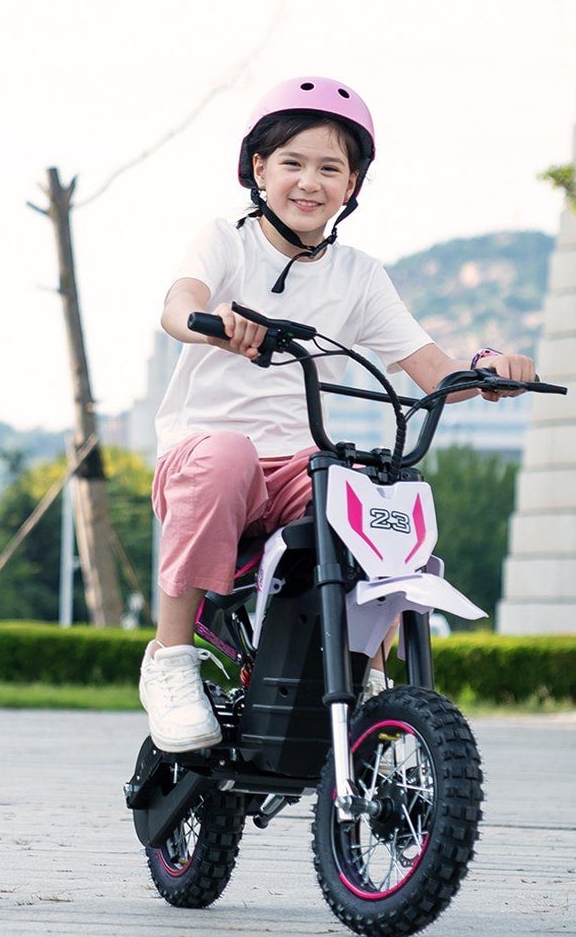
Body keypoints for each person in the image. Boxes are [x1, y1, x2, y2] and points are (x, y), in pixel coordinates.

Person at [143, 75, 536, 752]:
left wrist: (491, 369)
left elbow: (431, 371)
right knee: (229, 450)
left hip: (298, 466)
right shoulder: (225, 242)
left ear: (352, 185)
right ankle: (169, 659)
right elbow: (177, 302)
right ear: (257, 169)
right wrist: (214, 322)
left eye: (330, 168)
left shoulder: (357, 275)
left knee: (373, 487)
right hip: (204, 464)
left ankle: (368, 675)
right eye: (291, 163)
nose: (309, 182)